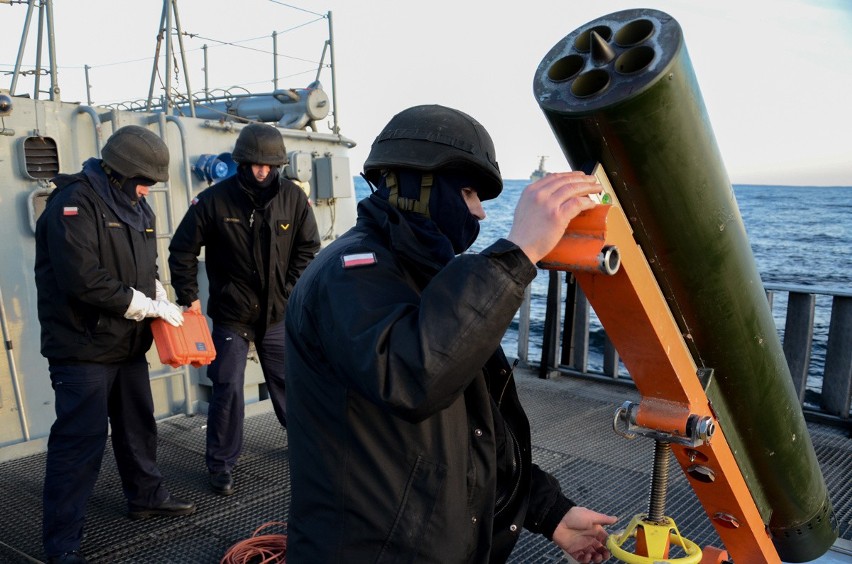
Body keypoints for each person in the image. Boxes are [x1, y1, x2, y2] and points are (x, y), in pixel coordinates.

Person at [284, 104, 618, 563]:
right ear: (414, 185)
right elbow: (413, 378)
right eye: (467, 192)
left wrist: (550, 510)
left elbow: (474, 426)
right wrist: (518, 252)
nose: (480, 213)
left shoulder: (423, 277)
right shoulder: (351, 273)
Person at [35, 125, 197, 564]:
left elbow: (148, 263)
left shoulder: (138, 207)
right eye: (144, 181)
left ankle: (146, 497)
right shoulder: (73, 202)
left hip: (127, 343)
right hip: (82, 345)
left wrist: (158, 291)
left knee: (138, 426)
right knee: (79, 443)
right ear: (120, 172)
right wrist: (143, 304)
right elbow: (81, 279)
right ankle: (62, 543)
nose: (148, 190)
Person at [168, 122, 320, 497]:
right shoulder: (214, 201)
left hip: (276, 313)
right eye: (255, 163)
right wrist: (189, 296)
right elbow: (182, 249)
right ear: (241, 161)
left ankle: (310, 448)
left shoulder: (294, 199)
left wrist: (287, 292)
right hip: (232, 314)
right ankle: (220, 465)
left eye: (269, 165)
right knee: (228, 386)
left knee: (290, 382)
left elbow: (308, 248)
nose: (262, 170)